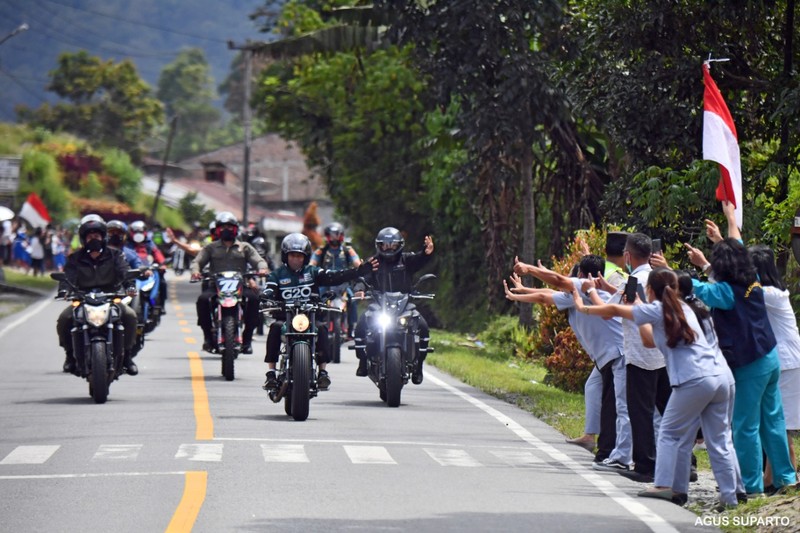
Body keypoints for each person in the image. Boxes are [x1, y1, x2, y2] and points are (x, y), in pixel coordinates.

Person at [570, 268, 740, 509]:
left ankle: (663, 485)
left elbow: (614, 310)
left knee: (669, 434)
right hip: (721, 378)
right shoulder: (687, 308)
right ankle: (730, 496)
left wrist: (581, 305)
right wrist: (639, 308)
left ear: (650, 289)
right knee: (719, 440)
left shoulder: (657, 309)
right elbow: (649, 340)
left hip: (693, 380)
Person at [685, 200, 797, 496]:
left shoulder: (724, 292)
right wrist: (730, 219)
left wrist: (668, 273)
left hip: (750, 364)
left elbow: (693, 287)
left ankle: (753, 486)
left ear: (721, 266)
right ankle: (786, 478)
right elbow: (737, 246)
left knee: (744, 426)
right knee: (773, 420)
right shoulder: (754, 278)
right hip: (770, 357)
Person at [510, 255, 632, 473]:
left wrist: (529, 270)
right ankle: (592, 438)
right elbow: (548, 294)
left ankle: (617, 454)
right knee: (595, 389)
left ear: (581, 275)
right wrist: (522, 291)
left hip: (617, 355)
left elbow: (553, 287)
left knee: (619, 407)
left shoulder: (585, 288)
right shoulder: (585, 291)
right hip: (607, 356)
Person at [261, 233, 377, 391]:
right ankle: (271, 373)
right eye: (292, 255)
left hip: (310, 319)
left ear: (306, 257)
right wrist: (266, 296)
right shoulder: (277, 275)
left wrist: (360, 271)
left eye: (300, 256)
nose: (296, 259)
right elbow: (269, 289)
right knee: (274, 328)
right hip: (286, 320)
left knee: (322, 328)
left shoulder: (313, 272)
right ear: (285, 256)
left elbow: (336, 276)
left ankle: (323, 372)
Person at [56, 214, 139, 376]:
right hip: (83, 299)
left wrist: (130, 286)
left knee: (130, 316)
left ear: (103, 237)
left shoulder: (116, 255)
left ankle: (128, 357)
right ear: (83, 239)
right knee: (64, 319)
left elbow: (125, 272)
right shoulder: (74, 258)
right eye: (90, 236)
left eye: (97, 235)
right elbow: (68, 277)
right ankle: (69, 357)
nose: (93, 239)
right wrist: (64, 290)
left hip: (111, 297)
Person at [748, 244, 800, 491]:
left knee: (781, 424)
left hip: (788, 364)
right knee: (775, 422)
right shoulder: (771, 293)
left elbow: (740, 293)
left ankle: (780, 480)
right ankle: (773, 478)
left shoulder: (770, 294)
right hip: (783, 363)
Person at [353, 228, 434, 383]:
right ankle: (363, 362)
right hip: (379, 305)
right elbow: (362, 277)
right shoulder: (374, 262)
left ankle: (418, 367)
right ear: (379, 246)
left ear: (399, 245)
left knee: (422, 326)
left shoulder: (406, 260)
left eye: (393, 244)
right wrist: (359, 290)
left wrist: (426, 253)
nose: (389, 247)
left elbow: (420, 259)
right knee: (361, 325)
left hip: (404, 304)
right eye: (385, 245)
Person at [191, 212, 267, 354]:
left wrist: (262, 268)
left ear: (236, 229)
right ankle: (207, 337)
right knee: (202, 300)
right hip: (216, 286)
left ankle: (248, 339)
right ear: (218, 229)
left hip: (240, 286)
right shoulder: (210, 247)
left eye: (230, 227)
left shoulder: (245, 247)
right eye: (223, 227)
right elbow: (197, 261)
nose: (227, 230)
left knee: (254, 299)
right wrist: (196, 271)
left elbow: (258, 260)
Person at [310, 222, 362, 336]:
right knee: (316, 300)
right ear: (327, 235)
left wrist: (361, 268)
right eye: (331, 234)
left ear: (341, 235)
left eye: (336, 234)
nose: (334, 237)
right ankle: (315, 324)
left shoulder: (348, 249)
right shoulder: (322, 250)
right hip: (326, 282)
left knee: (352, 300)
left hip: (343, 282)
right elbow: (312, 263)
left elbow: (357, 262)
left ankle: (352, 327)